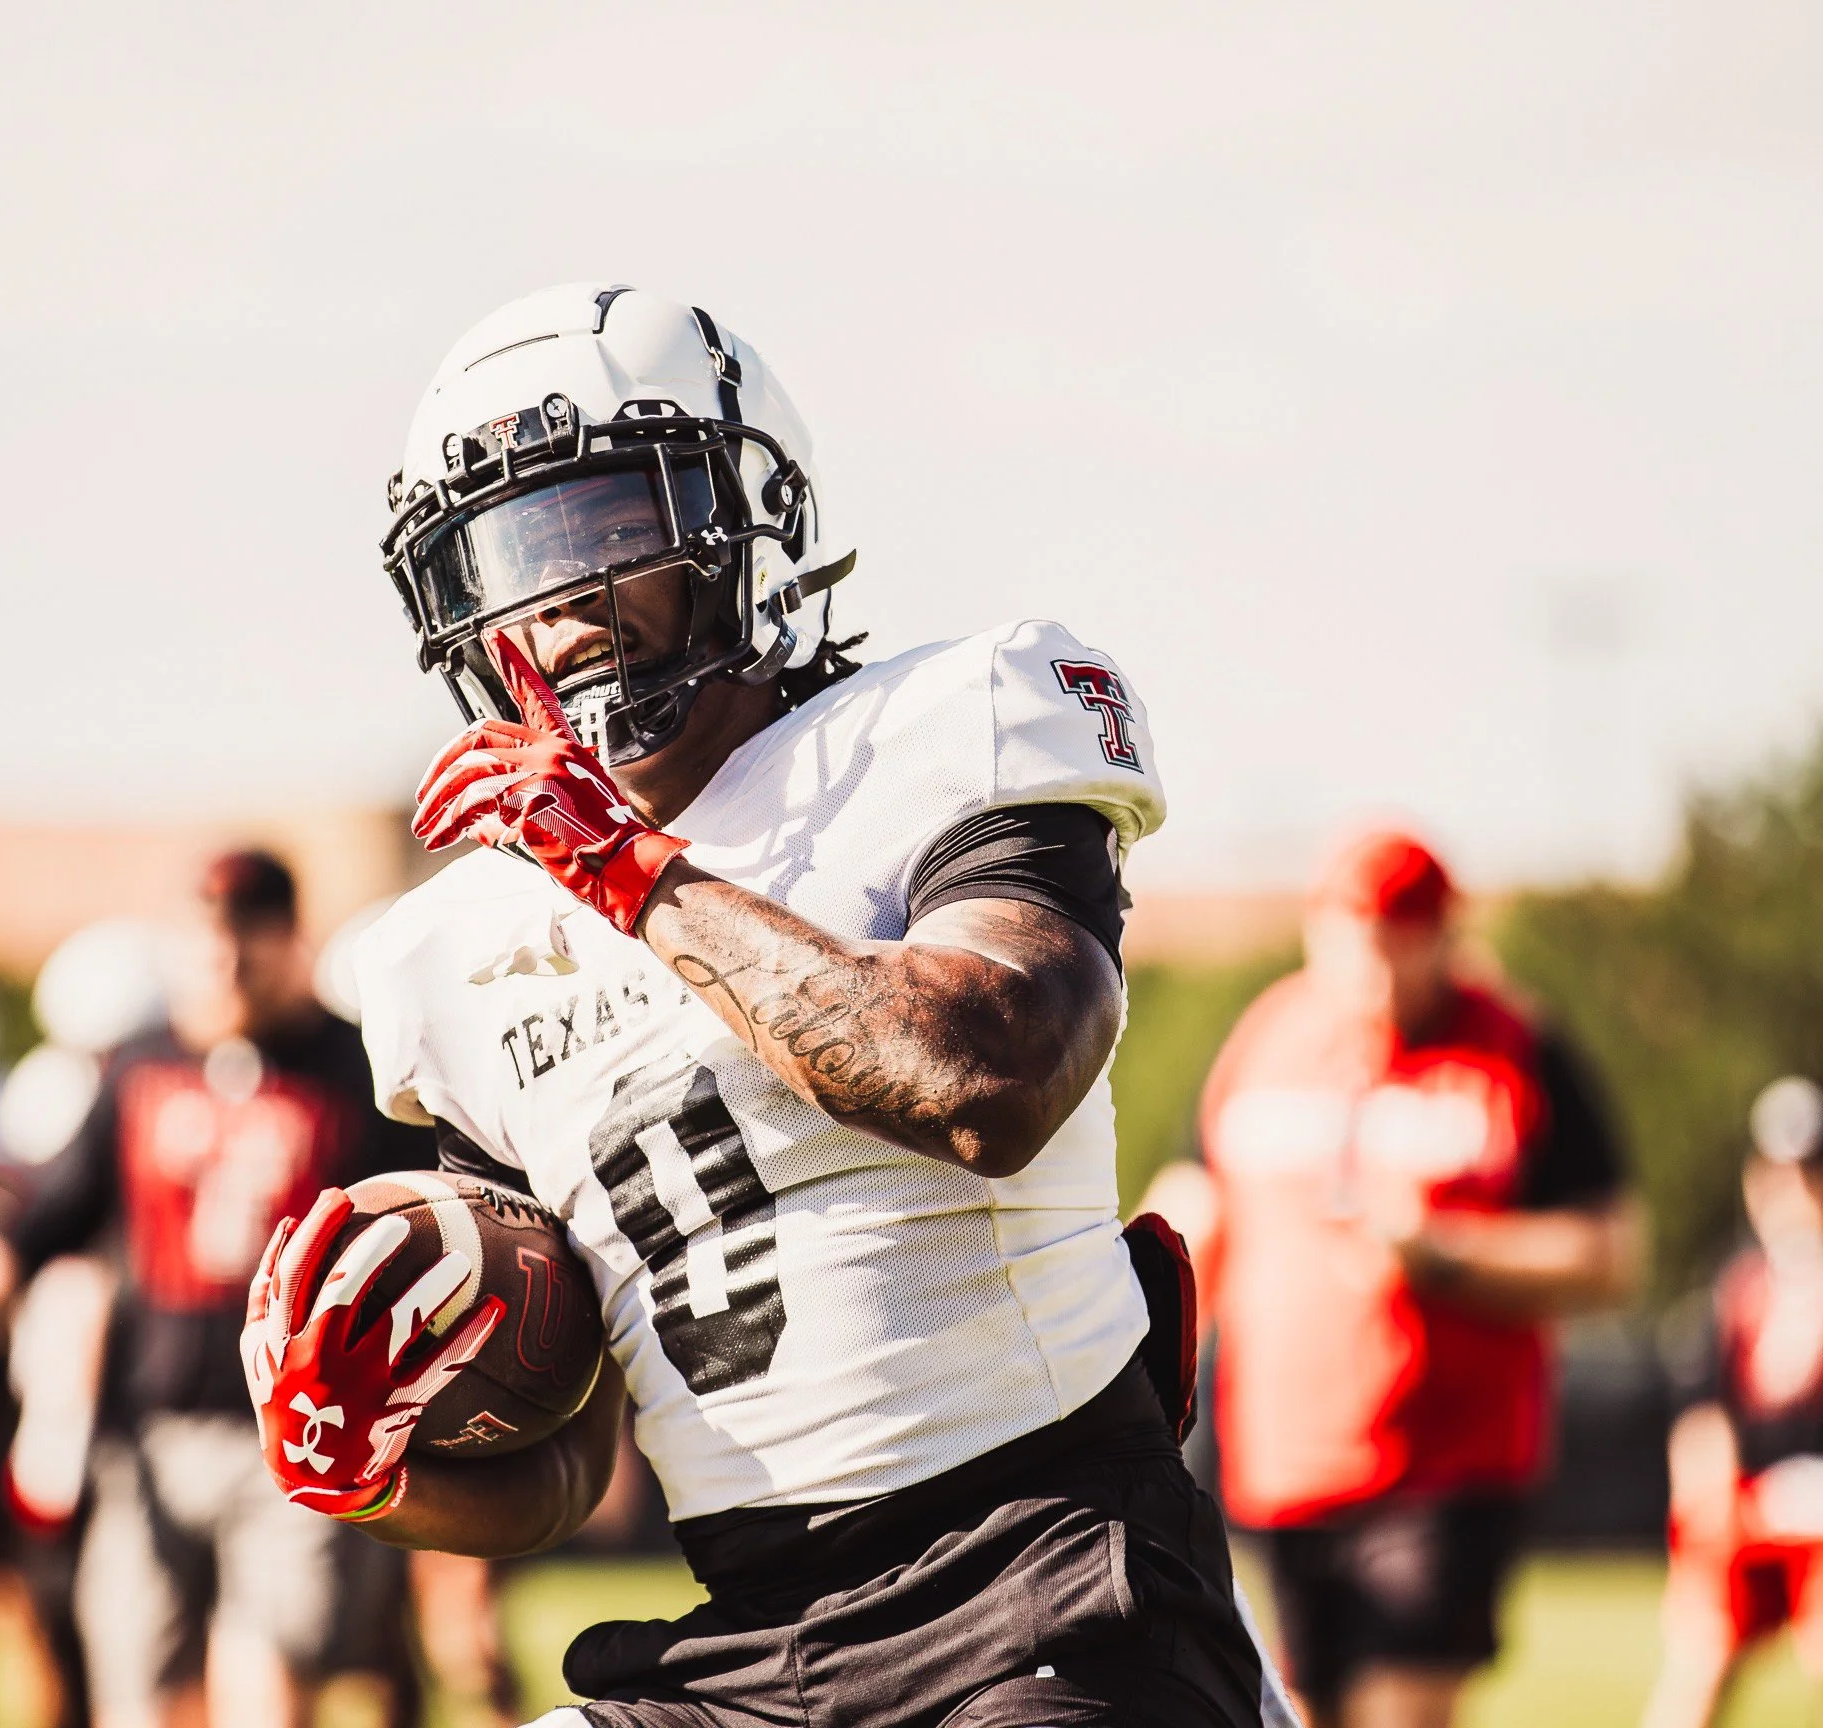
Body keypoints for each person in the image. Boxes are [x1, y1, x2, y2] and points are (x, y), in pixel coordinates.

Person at [239, 283, 1279, 1728]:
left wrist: (630, 874)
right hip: (754, 1654)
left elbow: (989, 1074)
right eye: (503, 558)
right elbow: (570, 1459)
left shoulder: (946, 726)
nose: (556, 603)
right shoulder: (453, 953)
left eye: (601, 529)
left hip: (1052, 1585)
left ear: (739, 514)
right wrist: (380, 1468)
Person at [0, 849, 488, 1728]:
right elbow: (42, 1220)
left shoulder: (360, 1074)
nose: (226, 966)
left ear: (292, 942)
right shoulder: (140, 1070)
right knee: (139, 1703)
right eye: (207, 945)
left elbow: (443, 1232)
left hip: (299, 1442)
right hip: (147, 1434)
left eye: (249, 943)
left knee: (266, 1697)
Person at [1141, 829, 1643, 1728]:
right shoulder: (1269, 1034)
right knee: (1299, 1714)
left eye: (1395, 935)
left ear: (1443, 935)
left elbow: (1611, 1254)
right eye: (1351, 932)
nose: (1371, 960)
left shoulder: (1513, 1045)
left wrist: (1443, 1254)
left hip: (1443, 1465)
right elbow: (1192, 1212)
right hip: (1282, 1467)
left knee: (1401, 1711)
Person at [1643, 1075, 1823, 1727]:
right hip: (1746, 1508)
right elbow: (1701, 1415)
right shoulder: (1740, 1288)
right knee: (1697, 1667)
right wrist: (1701, 1517)